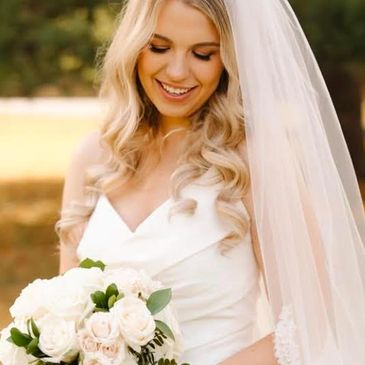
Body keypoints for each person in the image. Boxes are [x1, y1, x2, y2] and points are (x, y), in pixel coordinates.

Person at [58, 0, 365, 364]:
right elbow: (64, 310)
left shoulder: (254, 162)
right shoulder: (93, 158)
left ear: (228, 60)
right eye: (159, 47)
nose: (176, 71)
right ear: (134, 46)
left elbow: (310, 318)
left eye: (203, 54)